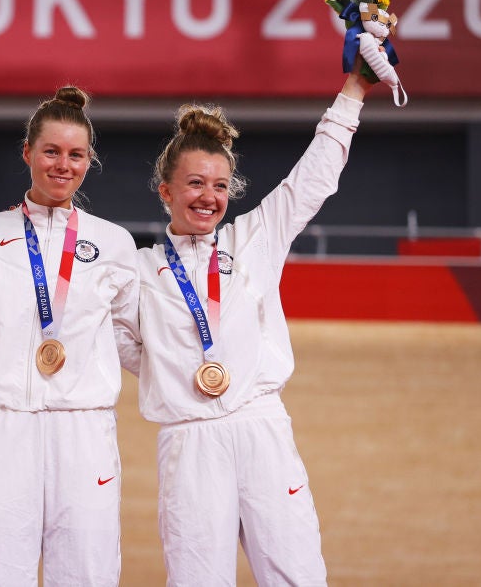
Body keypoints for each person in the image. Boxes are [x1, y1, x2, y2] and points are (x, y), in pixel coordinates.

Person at [136, 61, 377, 585]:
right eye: (195, 183)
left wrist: (354, 91)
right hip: (190, 442)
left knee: (297, 576)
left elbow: (311, 179)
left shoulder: (254, 238)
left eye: (220, 185)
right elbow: (128, 346)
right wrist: (174, 370)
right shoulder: (139, 271)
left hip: (261, 428)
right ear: (165, 190)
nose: (209, 197)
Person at [0, 87, 141, 586]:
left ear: (89, 160)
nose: (63, 165)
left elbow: (129, 339)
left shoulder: (114, 243)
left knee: (87, 574)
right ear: (27, 152)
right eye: (51, 151)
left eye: (76, 154)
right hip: (1, 427)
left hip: (83, 431)